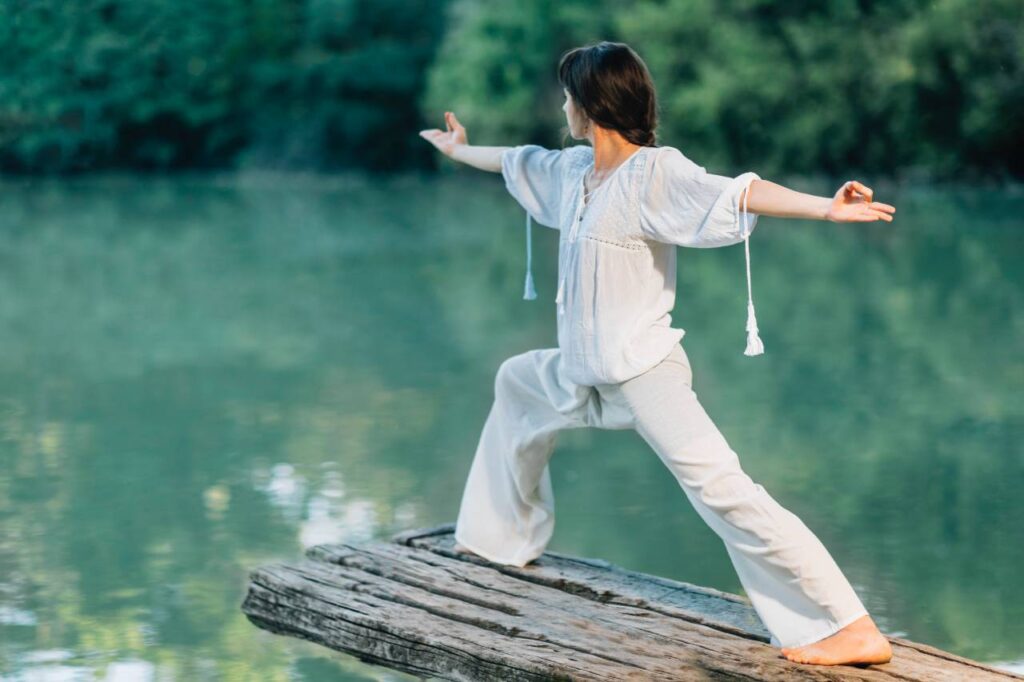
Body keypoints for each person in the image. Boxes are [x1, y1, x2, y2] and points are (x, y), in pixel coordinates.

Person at [418, 41, 895, 666]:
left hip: (642, 372)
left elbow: (739, 192)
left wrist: (826, 208)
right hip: (579, 371)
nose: (562, 106)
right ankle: (496, 541)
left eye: (568, 95)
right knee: (518, 381)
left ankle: (848, 624)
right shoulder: (571, 172)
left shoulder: (655, 173)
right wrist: (458, 150)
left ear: (590, 104)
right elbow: (513, 160)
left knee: (723, 489)